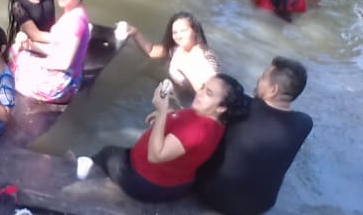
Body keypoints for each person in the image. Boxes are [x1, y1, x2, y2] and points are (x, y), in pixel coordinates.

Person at [78, 73, 248, 203]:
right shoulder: (211, 119)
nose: (200, 93)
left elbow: (156, 156)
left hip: (148, 183)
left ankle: (77, 174)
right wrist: (169, 114)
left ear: (222, 108)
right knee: (119, 152)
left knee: (108, 152)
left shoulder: (200, 130)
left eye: (209, 93)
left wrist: (161, 112)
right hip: (166, 176)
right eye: (203, 87)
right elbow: (186, 128)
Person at [194, 56, 313, 215]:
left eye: (263, 76)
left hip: (210, 194)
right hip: (258, 207)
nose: (258, 79)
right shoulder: (304, 124)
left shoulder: (241, 106)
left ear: (273, 90)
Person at [12, 0, 92, 105]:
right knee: (21, 51)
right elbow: (59, 48)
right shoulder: (75, 13)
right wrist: (31, 46)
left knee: (13, 59)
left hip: (61, 87)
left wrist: (37, 63)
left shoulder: (75, 22)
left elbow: (64, 63)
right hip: (71, 77)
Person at [125, 11, 220, 102]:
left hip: (193, 104)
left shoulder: (205, 58)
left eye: (183, 30)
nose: (179, 36)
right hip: (176, 96)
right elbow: (152, 51)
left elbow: (212, 94)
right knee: (143, 71)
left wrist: (186, 68)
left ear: (194, 31)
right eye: (175, 32)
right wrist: (135, 33)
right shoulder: (178, 49)